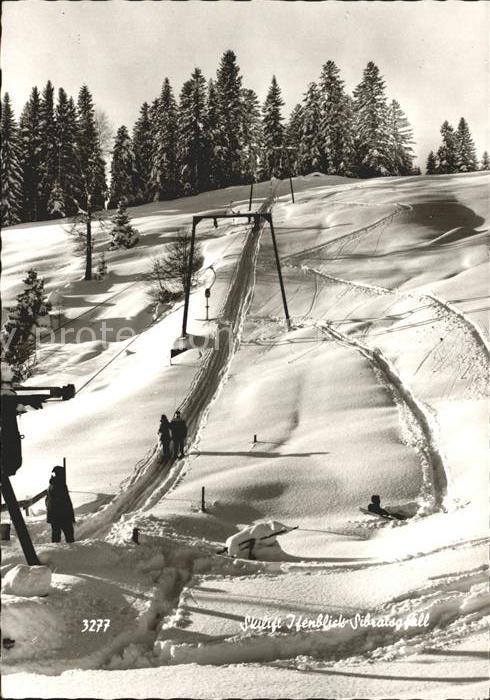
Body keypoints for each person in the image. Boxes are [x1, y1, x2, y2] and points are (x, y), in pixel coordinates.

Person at [46, 466, 75, 543]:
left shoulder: (51, 485)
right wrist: (70, 516)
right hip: (63, 515)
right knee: (69, 536)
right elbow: (66, 501)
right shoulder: (60, 484)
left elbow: (47, 500)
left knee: (56, 536)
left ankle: (56, 553)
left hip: (54, 515)